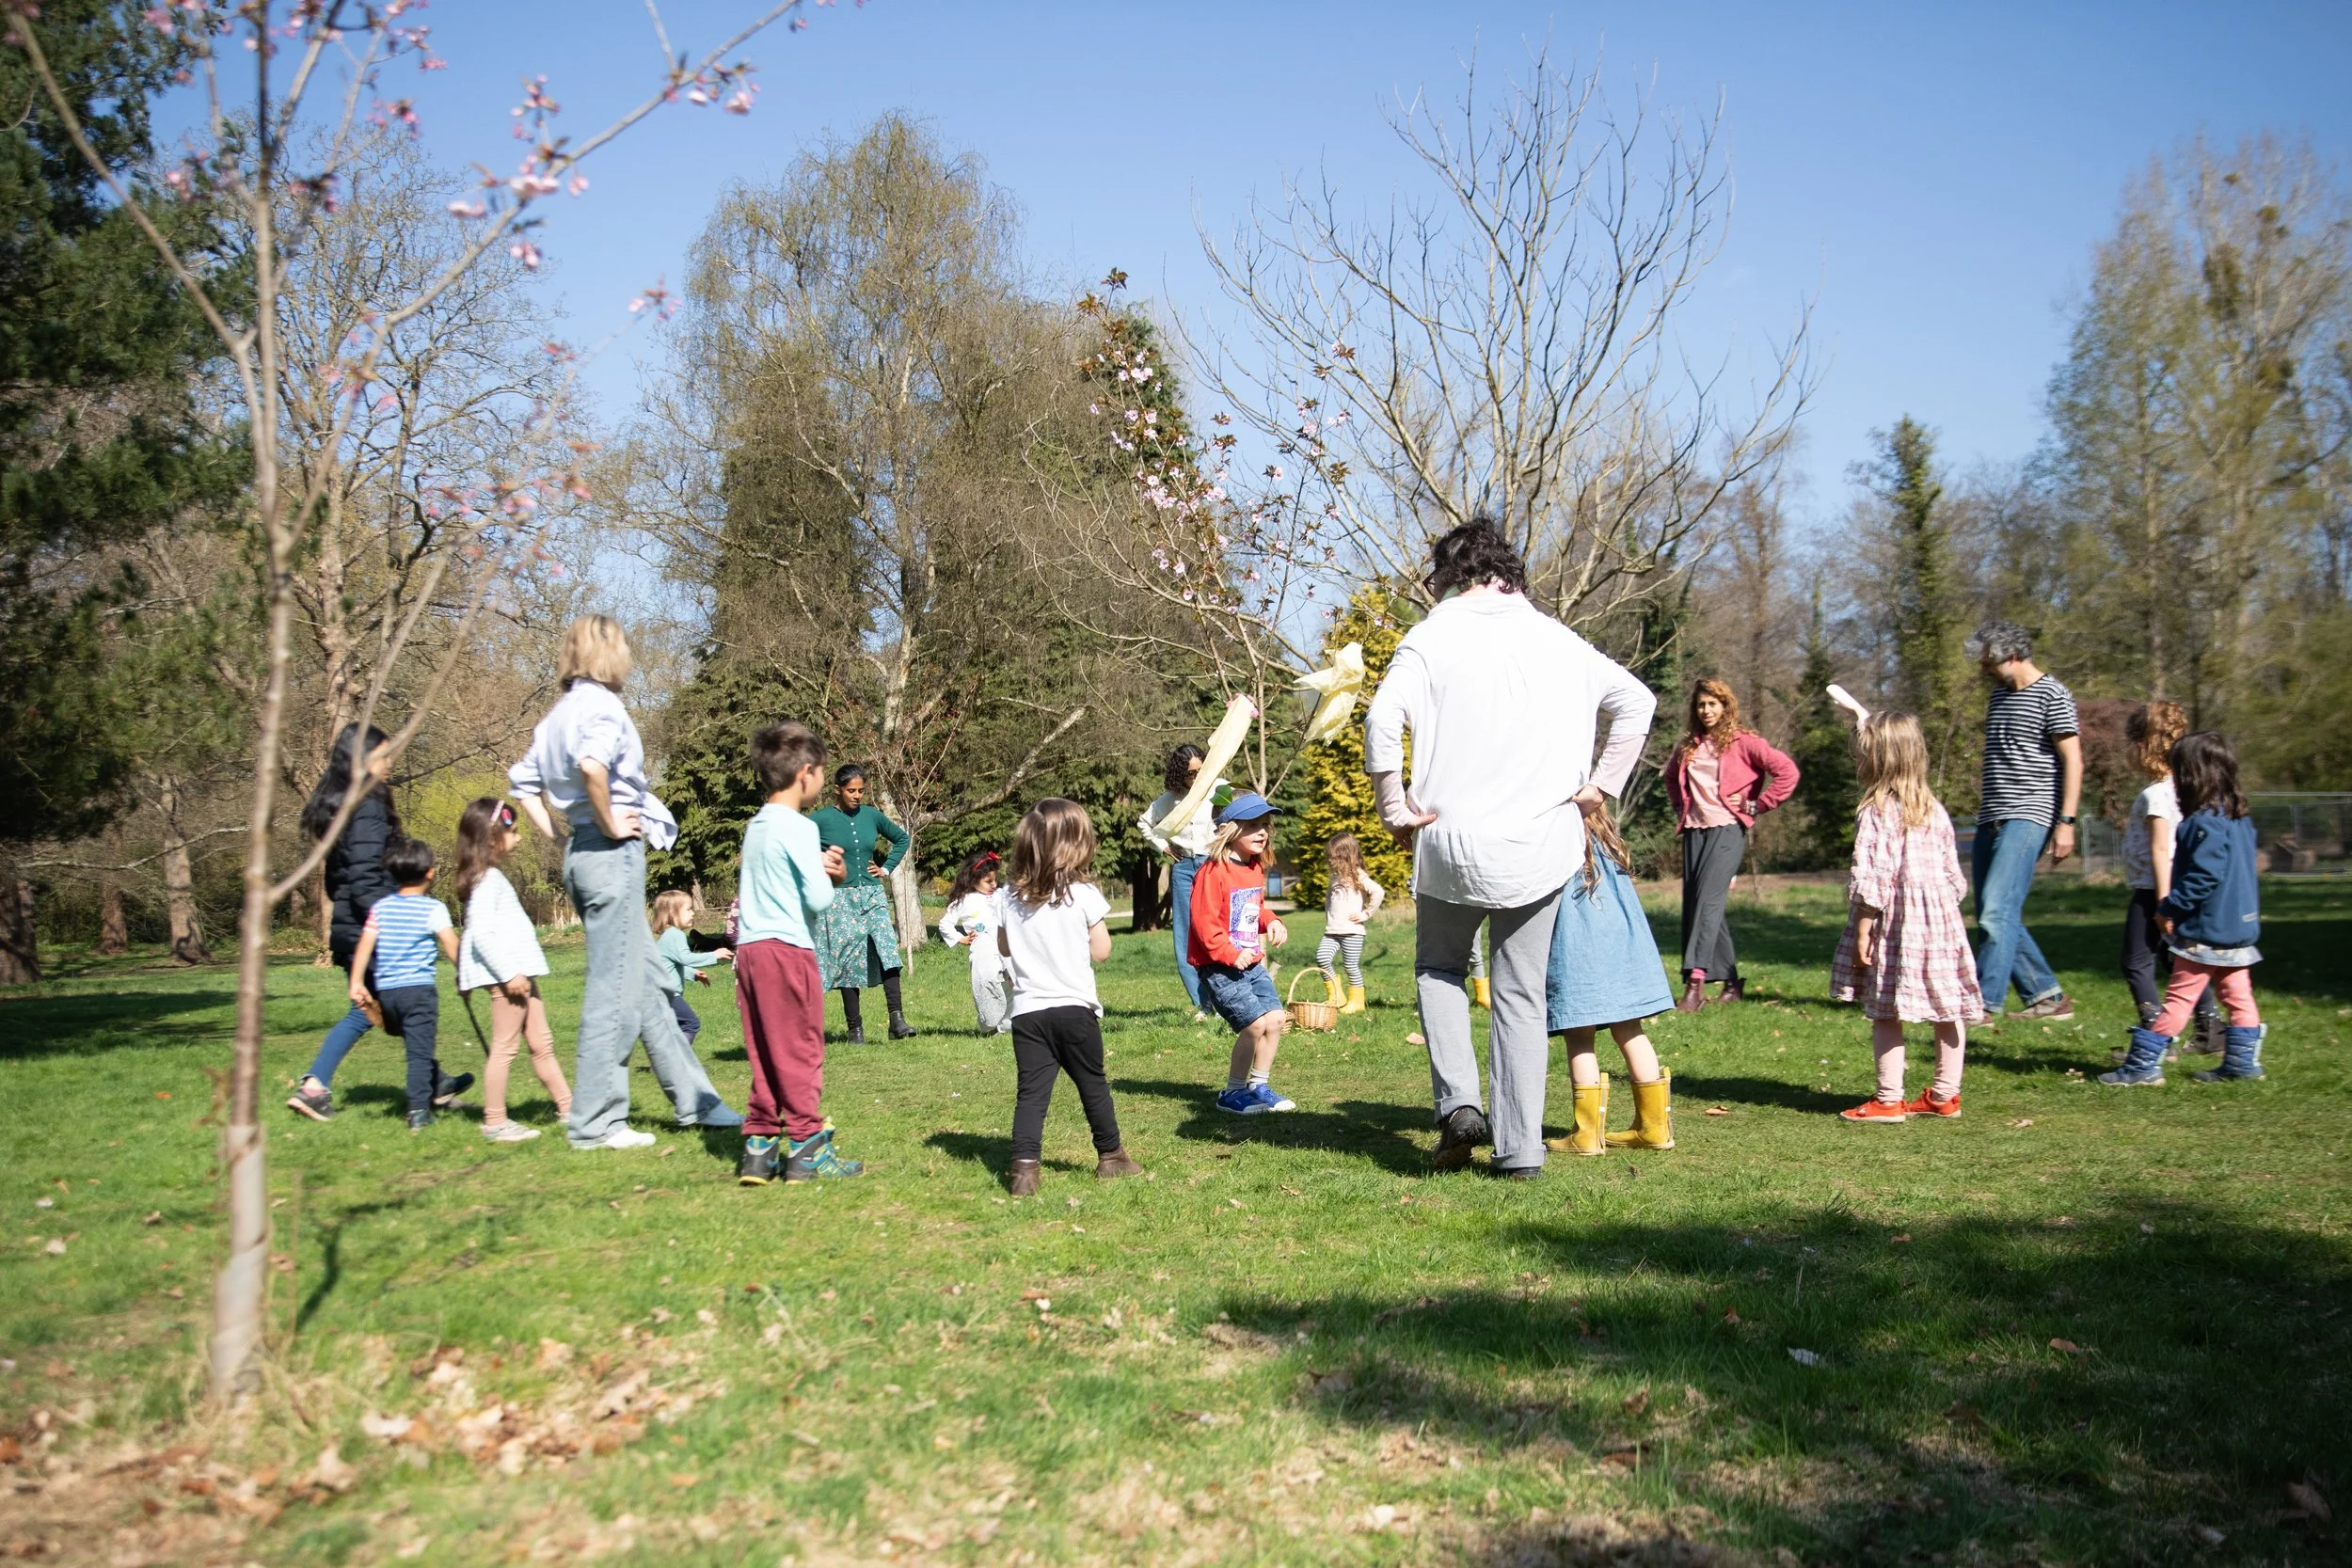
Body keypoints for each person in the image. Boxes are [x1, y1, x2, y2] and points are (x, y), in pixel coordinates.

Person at [1365, 517, 1656, 1178]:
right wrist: (1598, 787)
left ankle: (1461, 1103)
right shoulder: (1559, 639)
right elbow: (1636, 701)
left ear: (1449, 573)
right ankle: (1520, 1152)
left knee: (1439, 968)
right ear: (1509, 571)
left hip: (1449, 840)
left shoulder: (1431, 635)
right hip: (1540, 843)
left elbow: (1382, 718)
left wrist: (1392, 805)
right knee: (1522, 995)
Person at [511, 613, 740, 1150]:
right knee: (613, 994)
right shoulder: (600, 707)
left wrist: (561, 837)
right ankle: (596, 1123)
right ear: (608, 652)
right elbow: (593, 766)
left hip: (584, 852)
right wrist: (607, 823)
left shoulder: (556, 717)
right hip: (611, 852)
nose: (632, 658)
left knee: (650, 986)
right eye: (626, 648)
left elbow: (523, 783)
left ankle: (697, 1103)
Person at [1830, 712, 1985, 1122]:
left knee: (1886, 1008)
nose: (1858, 763)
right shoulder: (1933, 808)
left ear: (1879, 760)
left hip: (1894, 922)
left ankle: (1888, 1099)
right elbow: (1954, 875)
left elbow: (1875, 874)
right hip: (1939, 923)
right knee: (1946, 1007)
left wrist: (1864, 926)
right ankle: (1944, 1095)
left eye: (1862, 756)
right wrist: (1943, 911)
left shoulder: (1876, 809)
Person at [995, 800, 1141, 1196]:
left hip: (1028, 1013)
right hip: (1075, 1011)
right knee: (1092, 1084)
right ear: (1079, 844)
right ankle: (1112, 1158)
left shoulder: (1007, 895)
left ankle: (1024, 1171)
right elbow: (1102, 950)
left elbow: (1004, 946)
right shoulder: (1083, 893)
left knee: (1031, 1094)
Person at [733, 721, 858, 1183]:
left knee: (765, 1049)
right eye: (822, 772)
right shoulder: (801, 828)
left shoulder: (757, 826)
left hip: (750, 951)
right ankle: (806, 1146)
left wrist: (814, 870)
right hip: (789, 951)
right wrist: (834, 874)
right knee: (802, 1048)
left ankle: (759, 1148)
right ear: (806, 773)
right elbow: (819, 899)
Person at [2104, 731, 2266, 1086]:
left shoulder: (2201, 824)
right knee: (2238, 995)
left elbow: (2203, 877)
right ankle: (2242, 1064)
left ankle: (2143, 1066)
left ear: (2192, 775)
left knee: (2179, 997)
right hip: (2239, 929)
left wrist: (2170, 907)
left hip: (2205, 931)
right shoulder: (2239, 819)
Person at [287, 723, 407, 1122]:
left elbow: (341, 879)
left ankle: (434, 1083)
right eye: (383, 755)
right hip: (368, 927)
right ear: (363, 759)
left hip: (351, 926)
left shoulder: (340, 805)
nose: (390, 763)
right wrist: (396, 917)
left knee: (395, 1008)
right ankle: (313, 1086)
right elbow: (363, 880)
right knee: (377, 1009)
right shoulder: (368, 805)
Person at [1543, 800, 1677, 1155]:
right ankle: (1654, 1128)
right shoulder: (1607, 843)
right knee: (1630, 1029)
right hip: (1620, 949)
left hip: (1576, 950)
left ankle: (1586, 1135)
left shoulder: (1557, 844)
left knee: (1579, 1036)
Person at [1965, 620, 2082, 1021]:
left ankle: (1982, 1003)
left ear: (2013, 657)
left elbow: (2073, 760)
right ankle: (2046, 995)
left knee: (1996, 911)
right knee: (1993, 911)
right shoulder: (1999, 696)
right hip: (1992, 815)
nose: (1983, 670)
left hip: (2029, 815)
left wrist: (2066, 822)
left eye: (1989, 663)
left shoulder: (2053, 694)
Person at [1661, 678, 1800, 1010]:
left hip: (1727, 831)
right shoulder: (1689, 746)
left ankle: (1695, 984)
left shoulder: (1744, 742)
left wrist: (1759, 804)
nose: (1706, 710)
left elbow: (1787, 772)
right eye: (1701, 705)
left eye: (1712, 704)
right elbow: (1670, 778)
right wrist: (1682, 807)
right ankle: (1732, 981)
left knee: (1707, 905)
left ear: (1725, 706)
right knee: (1701, 906)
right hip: (1695, 831)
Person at [454, 797, 572, 1142]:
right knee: (505, 1047)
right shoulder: (486, 881)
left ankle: (569, 1108)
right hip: (510, 980)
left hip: (520, 977)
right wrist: (507, 975)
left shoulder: (491, 878)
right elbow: (480, 935)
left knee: (542, 1043)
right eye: (514, 832)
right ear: (492, 837)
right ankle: (495, 1121)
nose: (519, 838)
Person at [2117, 702, 2221, 1057]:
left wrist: (2164, 904)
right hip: (2177, 890)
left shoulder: (2156, 794)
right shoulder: (2185, 789)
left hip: (2155, 892)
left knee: (2136, 962)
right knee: (2179, 959)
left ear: (2143, 746)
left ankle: (2154, 1038)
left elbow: (2162, 850)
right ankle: (2211, 1030)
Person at [345, 836, 469, 1130]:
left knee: (417, 1047)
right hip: (418, 993)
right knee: (419, 1054)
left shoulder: (382, 908)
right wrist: (466, 975)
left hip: (388, 992)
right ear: (430, 872)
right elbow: (451, 944)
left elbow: (364, 945)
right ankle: (418, 1111)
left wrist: (357, 982)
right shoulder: (432, 909)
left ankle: (442, 1083)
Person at [1188, 792, 1296, 1116]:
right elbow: (1203, 924)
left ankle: (1258, 1086)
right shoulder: (1213, 872)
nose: (1263, 831)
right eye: (1253, 825)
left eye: (1265, 825)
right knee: (1253, 1024)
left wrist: (1272, 921)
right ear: (1230, 831)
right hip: (1218, 966)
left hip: (1249, 961)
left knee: (1275, 1020)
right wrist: (1228, 953)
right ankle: (1232, 1092)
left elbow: (1254, 910)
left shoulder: (1253, 869)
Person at [811, 766, 914, 1042]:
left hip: (872, 894)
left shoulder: (871, 815)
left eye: (861, 790)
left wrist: (886, 868)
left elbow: (902, 838)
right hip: (839, 900)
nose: (857, 796)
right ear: (837, 790)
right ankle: (855, 1029)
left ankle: (897, 1020)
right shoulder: (820, 819)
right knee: (848, 962)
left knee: (888, 952)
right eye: (851, 790)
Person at [1139, 743, 1226, 1021]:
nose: (1197, 777)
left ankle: (1226, 997)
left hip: (1213, 865)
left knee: (1215, 930)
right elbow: (1144, 823)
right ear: (1180, 774)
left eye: (1200, 770)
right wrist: (1163, 847)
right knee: (1185, 935)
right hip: (1185, 868)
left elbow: (1235, 818)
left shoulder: (1220, 787)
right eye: (1191, 773)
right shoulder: (1171, 798)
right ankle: (1203, 1004)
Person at [938, 850, 1011, 1035]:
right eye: (988, 881)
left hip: (1006, 947)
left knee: (1014, 988)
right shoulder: (964, 901)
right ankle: (989, 1024)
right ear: (973, 879)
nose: (994, 885)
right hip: (983, 950)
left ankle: (1007, 1026)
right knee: (987, 985)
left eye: (995, 880)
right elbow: (945, 924)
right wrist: (960, 938)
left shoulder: (1001, 894)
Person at [651, 890, 732, 1049]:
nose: (693, 913)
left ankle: (663, 1063)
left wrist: (693, 973)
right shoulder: (675, 935)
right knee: (691, 1024)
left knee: (673, 1029)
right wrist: (714, 955)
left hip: (659, 993)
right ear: (673, 914)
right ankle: (678, 1061)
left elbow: (674, 964)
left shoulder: (668, 935)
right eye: (688, 909)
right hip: (667, 994)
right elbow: (685, 958)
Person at [1315, 833, 1384, 1016]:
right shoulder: (1335, 877)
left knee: (1350, 965)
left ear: (1346, 856)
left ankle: (1357, 1001)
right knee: (1322, 959)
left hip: (1352, 932)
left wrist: (1366, 914)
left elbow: (1378, 892)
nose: (1330, 860)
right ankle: (1336, 996)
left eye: (1333, 856)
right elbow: (1329, 901)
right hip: (1332, 931)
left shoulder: (1358, 876)